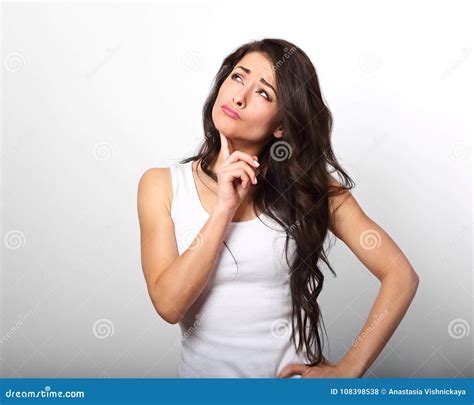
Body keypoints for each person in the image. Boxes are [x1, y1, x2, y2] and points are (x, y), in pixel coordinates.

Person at [137, 38, 420, 378]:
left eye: (263, 93)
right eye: (238, 77)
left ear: (282, 125)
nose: (239, 96)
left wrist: (350, 367)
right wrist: (225, 209)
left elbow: (400, 275)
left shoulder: (313, 188)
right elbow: (169, 305)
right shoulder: (162, 185)